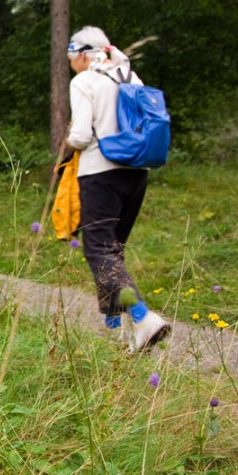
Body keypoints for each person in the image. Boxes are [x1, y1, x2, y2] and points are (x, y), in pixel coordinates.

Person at [65, 26, 170, 354]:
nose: (71, 64)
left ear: (83, 54)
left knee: (98, 251)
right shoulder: (130, 77)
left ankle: (143, 318)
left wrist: (67, 140)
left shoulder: (84, 81)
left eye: (71, 58)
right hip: (137, 173)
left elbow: (81, 136)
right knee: (113, 251)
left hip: (100, 173)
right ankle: (117, 335)